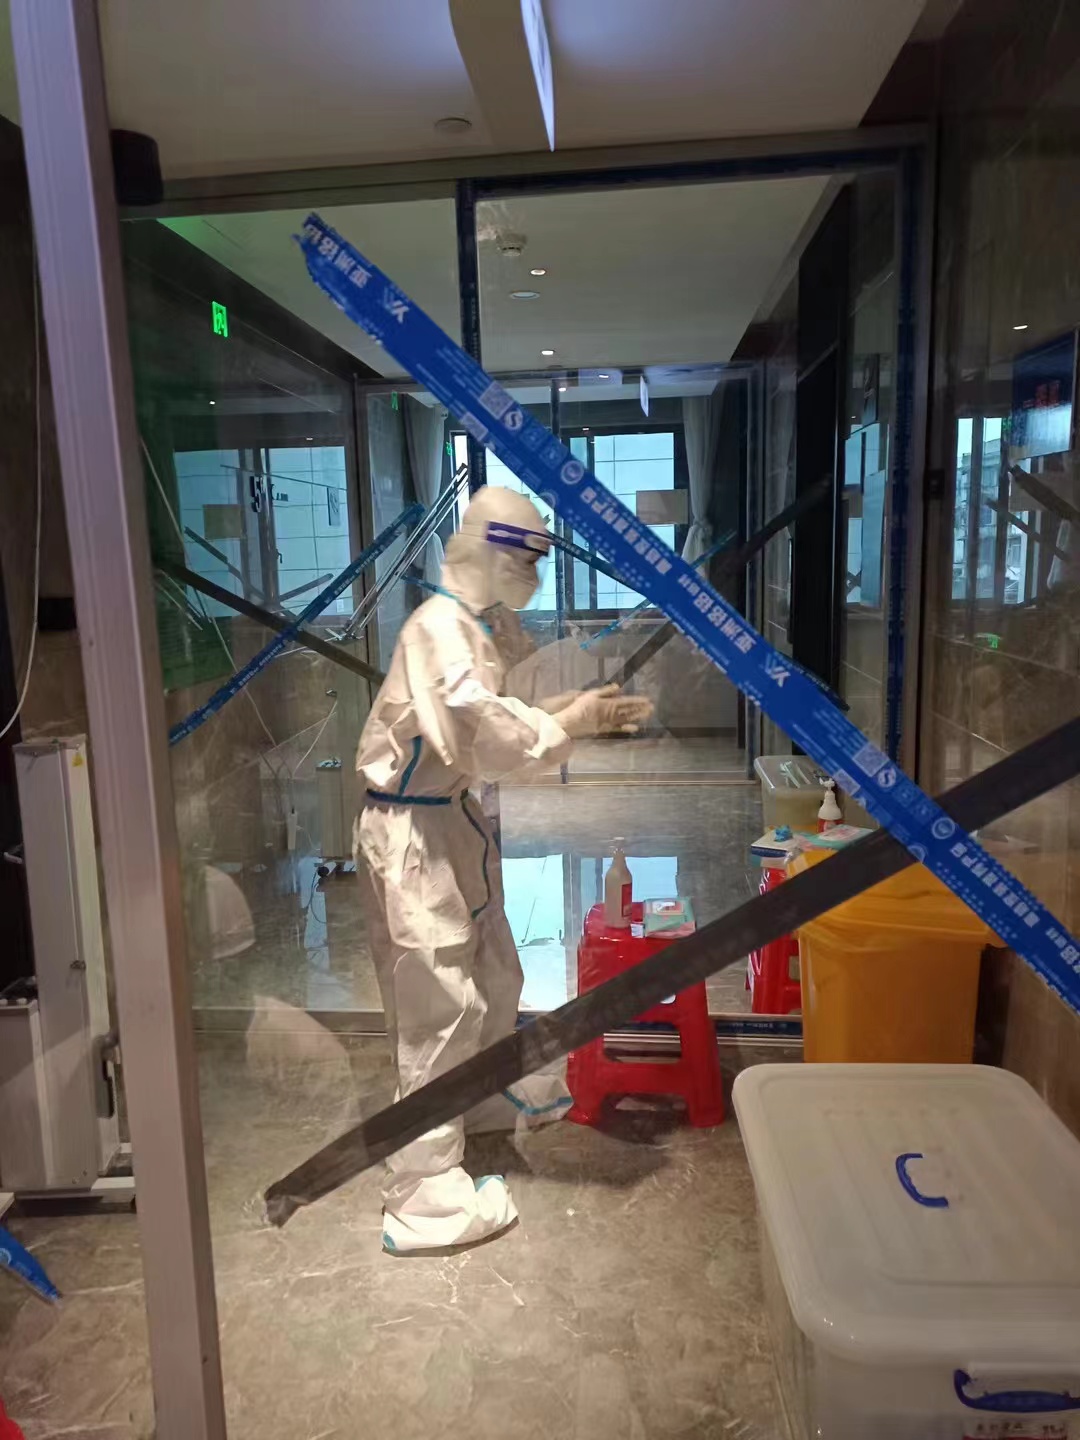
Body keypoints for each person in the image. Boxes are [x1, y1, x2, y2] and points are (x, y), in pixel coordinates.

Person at [355, 485, 652, 1253]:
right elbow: (481, 733)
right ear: (493, 548)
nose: (536, 573)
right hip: (413, 832)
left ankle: (479, 1098)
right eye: (530, 557)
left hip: (449, 821)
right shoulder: (436, 628)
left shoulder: (471, 624)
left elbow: (501, 705)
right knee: (438, 1002)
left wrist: (569, 709)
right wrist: (569, 722)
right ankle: (423, 1198)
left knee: (490, 973)